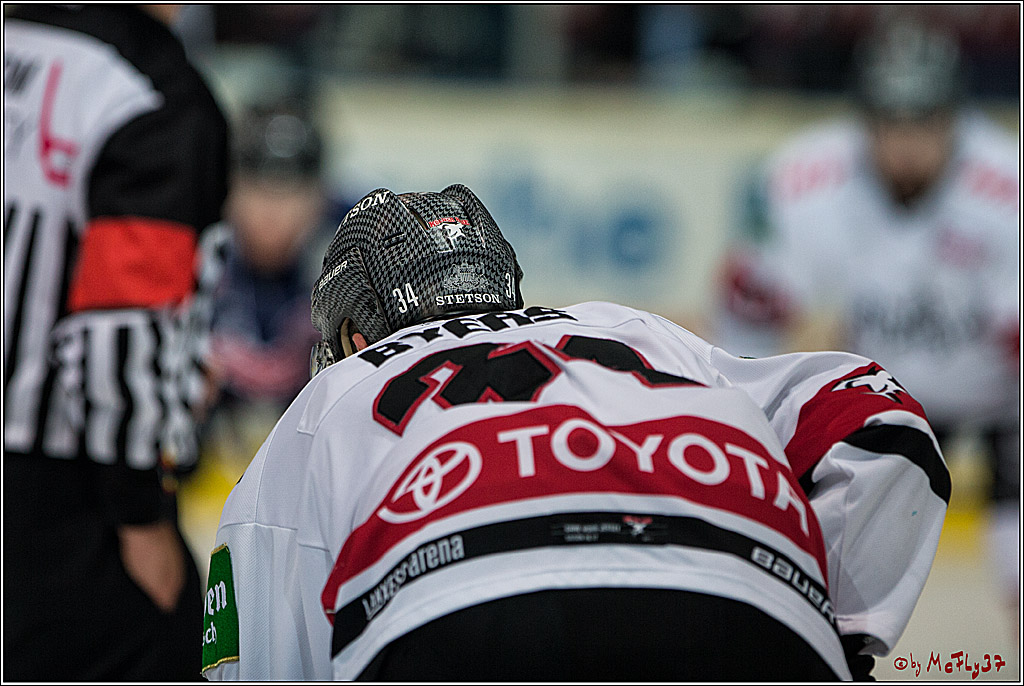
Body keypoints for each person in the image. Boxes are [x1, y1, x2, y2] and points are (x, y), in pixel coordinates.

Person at [201, 183, 948, 681]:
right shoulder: (633, 329)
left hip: (460, 619)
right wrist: (834, 632)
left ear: (354, 334)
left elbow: (256, 661)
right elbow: (875, 411)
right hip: (744, 603)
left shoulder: (330, 396)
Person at [715, 16, 1019, 618]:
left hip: (1001, 399)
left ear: (955, 119)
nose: (906, 144)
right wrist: (743, 415)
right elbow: (749, 307)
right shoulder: (805, 180)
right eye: (889, 122)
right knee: (827, 569)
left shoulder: (1005, 186)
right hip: (886, 394)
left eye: (924, 122)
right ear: (864, 120)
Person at [3, 4, 229, 680]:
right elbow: (118, 337)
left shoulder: (19, 34)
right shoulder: (149, 92)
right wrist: (142, 516)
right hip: (60, 503)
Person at [201, 103, 333, 477]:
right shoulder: (200, 251)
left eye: (290, 191)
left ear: (320, 196)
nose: (271, 211)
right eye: (257, 188)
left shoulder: (355, 257)